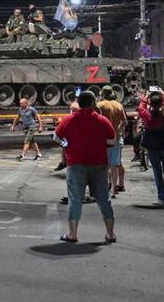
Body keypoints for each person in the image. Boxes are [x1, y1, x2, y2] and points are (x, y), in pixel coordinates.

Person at [54, 90, 117, 244]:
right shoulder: (102, 120)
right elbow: (112, 141)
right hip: (99, 164)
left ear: (79, 104)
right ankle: (110, 234)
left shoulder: (69, 119)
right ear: (93, 103)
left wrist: (66, 145)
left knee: (75, 199)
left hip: (76, 164)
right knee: (104, 199)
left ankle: (72, 234)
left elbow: (57, 137)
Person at [139, 89, 164, 207]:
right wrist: (163, 95)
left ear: (151, 103)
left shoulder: (147, 116)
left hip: (152, 146)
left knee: (157, 171)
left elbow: (141, 107)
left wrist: (146, 97)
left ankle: (161, 197)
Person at [96, 86, 127, 195]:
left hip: (103, 139)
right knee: (114, 164)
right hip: (116, 138)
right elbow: (124, 122)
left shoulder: (100, 105)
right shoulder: (119, 105)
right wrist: (118, 129)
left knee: (105, 164)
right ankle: (114, 188)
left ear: (103, 94)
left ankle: (106, 187)